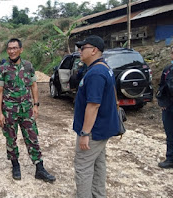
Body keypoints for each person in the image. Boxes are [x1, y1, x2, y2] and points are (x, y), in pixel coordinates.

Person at [0, 38, 56, 183]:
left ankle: (39, 168)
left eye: (15, 48)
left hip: (27, 109)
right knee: (11, 139)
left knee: (32, 137)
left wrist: (36, 105)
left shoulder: (28, 66)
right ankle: (15, 165)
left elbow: (34, 86)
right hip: (9, 110)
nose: (12, 51)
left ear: (21, 50)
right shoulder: (3, 69)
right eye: (9, 48)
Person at [73, 35, 119, 198]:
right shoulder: (102, 67)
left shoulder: (96, 73)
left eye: (83, 48)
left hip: (93, 130)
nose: (80, 51)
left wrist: (85, 133)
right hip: (101, 128)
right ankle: (98, 195)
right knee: (98, 164)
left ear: (94, 50)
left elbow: (93, 105)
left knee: (83, 167)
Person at [157, 46, 173, 169]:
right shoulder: (168, 69)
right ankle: (170, 158)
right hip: (168, 107)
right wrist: (162, 103)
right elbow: (162, 87)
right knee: (170, 134)